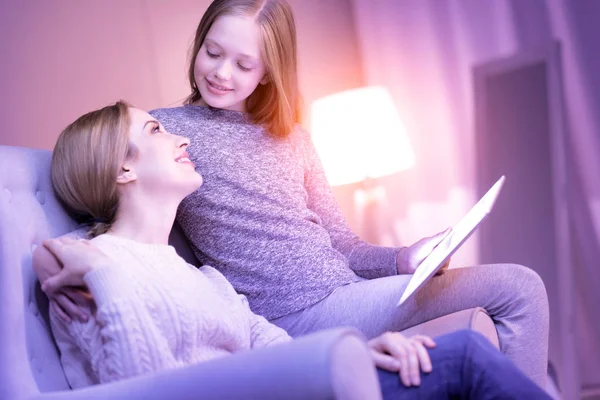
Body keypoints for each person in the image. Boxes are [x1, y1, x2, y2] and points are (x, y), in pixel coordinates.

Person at [36, 0, 549, 388]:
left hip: (345, 292)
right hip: (292, 315)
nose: (220, 73)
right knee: (519, 289)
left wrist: (403, 256)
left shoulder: (293, 138)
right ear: (199, 45)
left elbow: (343, 247)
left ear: (267, 74)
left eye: (243, 64)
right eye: (212, 53)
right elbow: (113, 197)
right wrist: (80, 254)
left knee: (516, 292)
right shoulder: (168, 135)